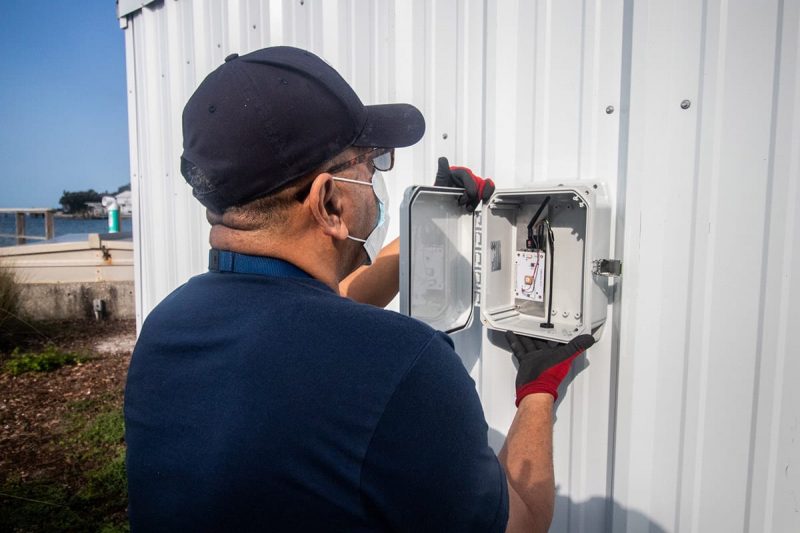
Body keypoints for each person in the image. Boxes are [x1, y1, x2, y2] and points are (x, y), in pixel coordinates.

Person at [124, 46, 594, 532]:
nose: (377, 175)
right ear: (329, 200)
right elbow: (521, 525)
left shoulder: (168, 327)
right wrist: (537, 389)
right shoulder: (402, 363)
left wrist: (424, 227)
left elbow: (315, 327)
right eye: (371, 162)